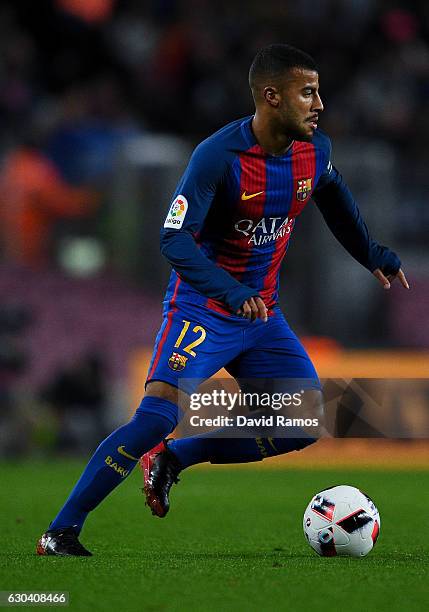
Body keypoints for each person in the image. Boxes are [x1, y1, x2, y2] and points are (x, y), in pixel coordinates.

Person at [37, 43, 409, 556]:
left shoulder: (313, 150)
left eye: (319, 91)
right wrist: (231, 291)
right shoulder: (219, 156)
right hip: (204, 310)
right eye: (308, 93)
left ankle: (175, 458)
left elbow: (335, 196)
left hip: (262, 318)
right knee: (156, 415)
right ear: (271, 97)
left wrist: (371, 253)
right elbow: (173, 239)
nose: (320, 103)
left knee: (300, 424)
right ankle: (60, 532)